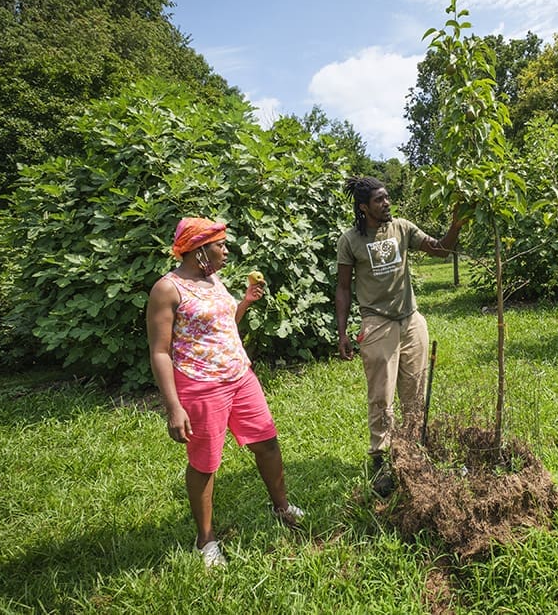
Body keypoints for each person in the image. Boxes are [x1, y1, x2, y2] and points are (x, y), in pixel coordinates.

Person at [146, 217, 304, 568]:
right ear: (200, 249)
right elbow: (159, 351)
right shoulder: (167, 289)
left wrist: (244, 302)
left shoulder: (212, 279)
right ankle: (206, 540)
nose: (226, 250)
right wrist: (173, 406)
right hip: (201, 385)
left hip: (239, 375)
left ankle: (282, 506)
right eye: (221, 244)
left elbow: (224, 322)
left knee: (267, 441)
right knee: (205, 463)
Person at [335, 177, 464, 497]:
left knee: (415, 389)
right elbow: (343, 288)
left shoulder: (403, 228)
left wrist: (456, 224)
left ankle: (411, 451)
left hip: (411, 320)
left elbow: (441, 250)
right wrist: (342, 333)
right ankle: (380, 458)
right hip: (377, 322)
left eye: (388, 198)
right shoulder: (350, 240)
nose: (387, 203)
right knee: (381, 394)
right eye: (379, 200)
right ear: (364, 207)